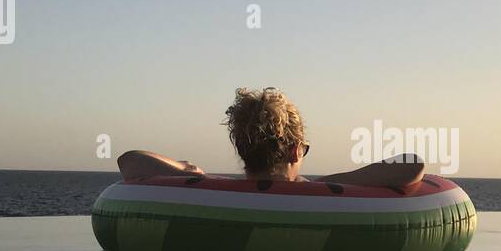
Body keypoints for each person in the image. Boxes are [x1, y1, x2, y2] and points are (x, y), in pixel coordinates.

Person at [116, 87, 425, 188]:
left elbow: (129, 160)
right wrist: (341, 180)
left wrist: (187, 170)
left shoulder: (217, 190)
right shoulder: (318, 191)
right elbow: (412, 166)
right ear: (295, 151)